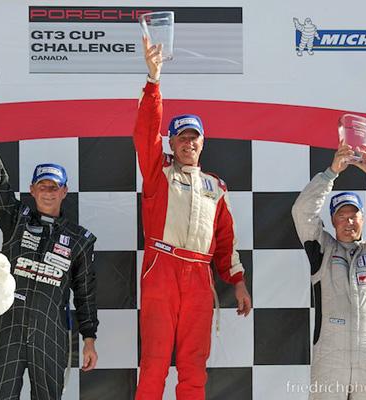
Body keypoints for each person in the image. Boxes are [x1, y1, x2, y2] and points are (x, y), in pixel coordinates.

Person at [134, 37, 252, 400]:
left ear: (203, 142)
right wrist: (153, 81)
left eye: (194, 138)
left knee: (194, 368)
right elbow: (144, 132)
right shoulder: (158, 175)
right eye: (181, 138)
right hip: (162, 268)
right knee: (154, 364)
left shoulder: (216, 187)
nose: (188, 143)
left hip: (200, 276)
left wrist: (238, 282)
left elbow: (226, 242)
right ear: (171, 143)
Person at [0, 92, 99, 400]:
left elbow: (85, 294)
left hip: (51, 333)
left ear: (64, 191)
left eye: (54, 187)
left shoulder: (79, 239)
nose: (48, 192)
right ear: (32, 190)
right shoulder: (15, 219)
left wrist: (89, 339)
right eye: (42, 186)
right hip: (9, 327)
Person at [292, 140, 366, 400]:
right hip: (329, 359)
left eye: (354, 215)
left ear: (362, 218)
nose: (348, 221)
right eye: (341, 215)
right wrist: (330, 174)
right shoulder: (322, 249)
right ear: (332, 220)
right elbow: (302, 211)